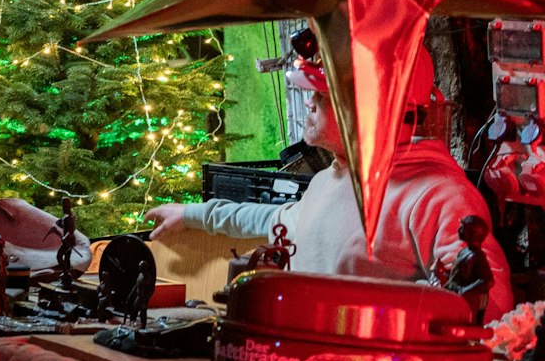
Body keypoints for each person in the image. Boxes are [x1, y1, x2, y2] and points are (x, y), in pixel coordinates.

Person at [147, 40, 515, 319]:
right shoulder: (331, 180)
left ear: (371, 111)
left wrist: (353, 311)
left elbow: (491, 303)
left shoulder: (438, 196)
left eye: (322, 95)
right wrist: (194, 214)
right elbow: (276, 221)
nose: (308, 102)